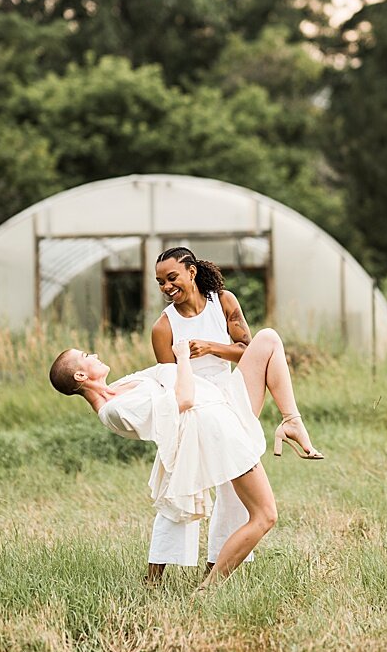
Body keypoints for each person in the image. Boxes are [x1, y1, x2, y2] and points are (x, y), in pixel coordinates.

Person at [143, 246, 322, 582]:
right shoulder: (163, 328)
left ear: (191, 272)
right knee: (177, 488)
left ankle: (291, 420)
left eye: (172, 278)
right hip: (195, 405)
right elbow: (167, 384)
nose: (167, 287)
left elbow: (246, 350)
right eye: (160, 282)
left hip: (232, 397)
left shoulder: (223, 301)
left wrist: (210, 347)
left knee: (269, 339)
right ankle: (153, 579)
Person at [49, 345, 276, 585]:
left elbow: (164, 372)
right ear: (80, 376)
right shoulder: (115, 410)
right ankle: (208, 587)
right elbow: (185, 397)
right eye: (85, 356)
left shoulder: (119, 388)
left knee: (267, 340)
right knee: (265, 514)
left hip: (213, 417)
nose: (94, 355)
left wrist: (173, 378)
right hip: (213, 430)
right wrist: (183, 358)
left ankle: (193, 575)